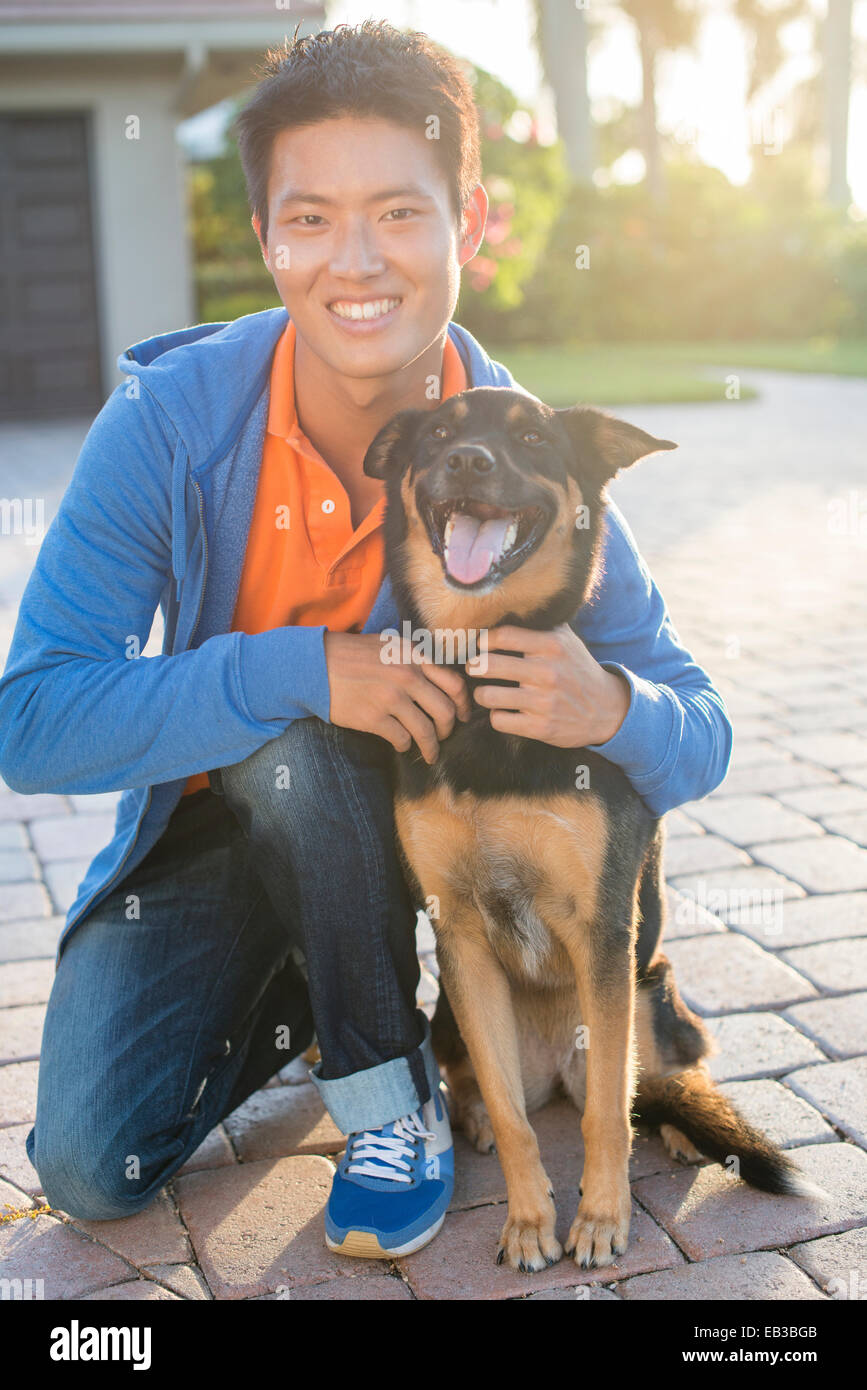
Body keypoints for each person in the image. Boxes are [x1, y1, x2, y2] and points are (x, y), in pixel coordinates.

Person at [0, 21, 732, 1261]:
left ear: (470, 223)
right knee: (90, 1156)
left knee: (328, 760)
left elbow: (697, 731)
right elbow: (32, 720)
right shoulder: (169, 426)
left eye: (398, 213)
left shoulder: (526, 448)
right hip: (223, 840)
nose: (357, 263)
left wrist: (608, 703)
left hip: (442, 855)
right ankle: (318, 988)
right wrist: (296, 665)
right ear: (268, 237)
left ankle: (392, 1106)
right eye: (311, 218)